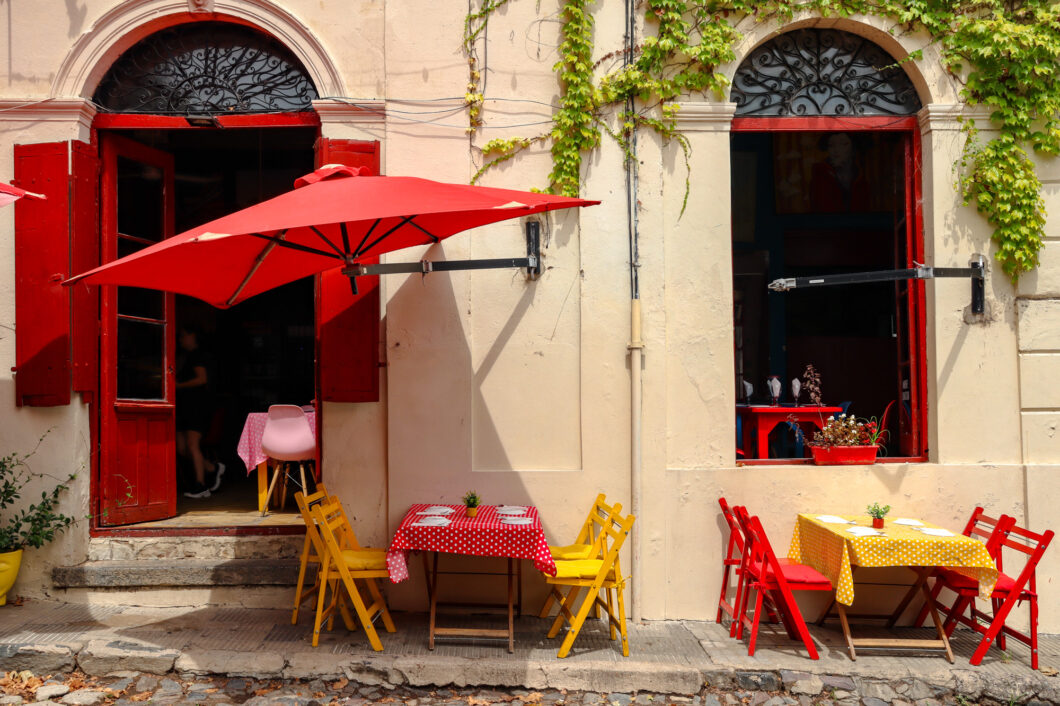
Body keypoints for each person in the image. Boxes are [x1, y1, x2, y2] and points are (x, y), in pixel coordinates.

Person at [175, 326, 225, 498]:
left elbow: (202, 379)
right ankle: (212, 468)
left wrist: (179, 386)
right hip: (183, 406)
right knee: (181, 448)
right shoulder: (185, 357)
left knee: (192, 444)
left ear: (193, 335)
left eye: (183, 335)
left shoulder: (199, 355)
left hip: (197, 406)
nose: (180, 339)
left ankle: (201, 485)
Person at [810, 132, 870, 212]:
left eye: (844, 144)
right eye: (831, 145)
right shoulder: (820, 174)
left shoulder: (860, 177)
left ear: (853, 148)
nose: (836, 150)